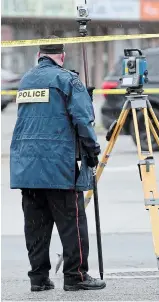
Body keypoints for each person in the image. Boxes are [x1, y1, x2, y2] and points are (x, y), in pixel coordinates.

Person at [10, 35, 106, 292]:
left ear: (39, 55)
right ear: (61, 56)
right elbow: (83, 122)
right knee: (72, 222)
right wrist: (93, 151)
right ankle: (76, 276)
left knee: (36, 226)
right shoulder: (68, 80)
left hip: (26, 166)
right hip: (57, 165)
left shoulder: (26, 80)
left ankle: (39, 279)